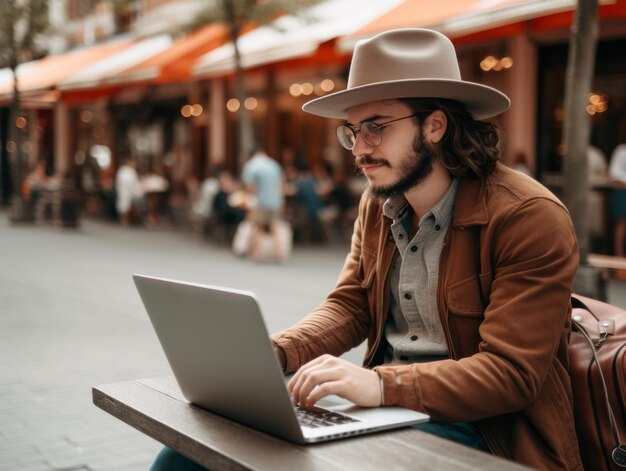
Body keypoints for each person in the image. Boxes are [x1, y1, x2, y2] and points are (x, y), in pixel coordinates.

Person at [149, 29, 581, 471]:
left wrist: (377, 386)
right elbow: (351, 305)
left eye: (375, 128)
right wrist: (272, 353)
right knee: (184, 455)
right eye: (353, 131)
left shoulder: (528, 216)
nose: (359, 149)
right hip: (387, 408)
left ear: (435, 126)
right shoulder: (377, 203)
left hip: (490, 431)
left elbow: (510, 374)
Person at [241, 145, 286, 262]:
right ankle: (278, 254)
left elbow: (250, 187)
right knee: (274, 227)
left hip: (261, 201)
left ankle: (256, 254)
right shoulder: (274, 164)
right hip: (276, 201)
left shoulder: (251, 165)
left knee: (258, 227)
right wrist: (280, 199)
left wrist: (250, 198)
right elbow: (280, 184)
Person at [609, 143, 626, 258]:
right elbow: (614, 176)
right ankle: (619, 256)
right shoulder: (621, 151)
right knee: (622, 222)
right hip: (622, 191)